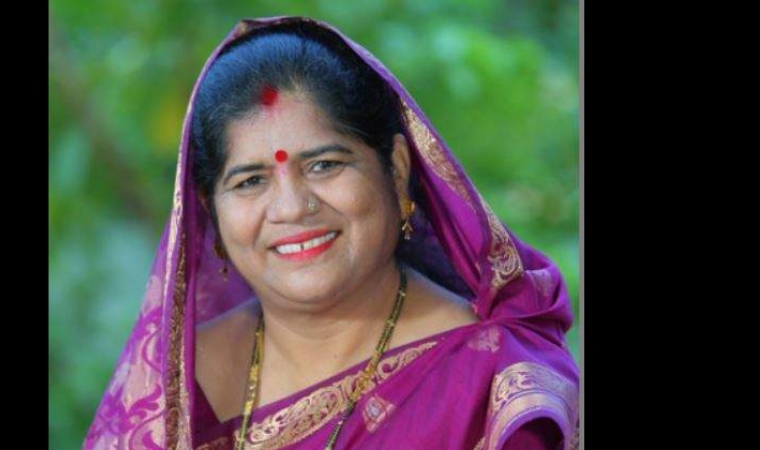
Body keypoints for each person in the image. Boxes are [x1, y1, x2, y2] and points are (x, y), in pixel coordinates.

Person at [83, 16, 579, 450]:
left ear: (397, 169)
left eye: (324, 165)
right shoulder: (171, 388)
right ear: (211, 211)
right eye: (250, 181)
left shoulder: (489, 386)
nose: (292, 207)